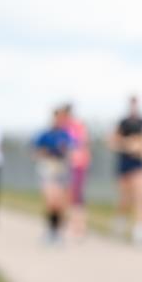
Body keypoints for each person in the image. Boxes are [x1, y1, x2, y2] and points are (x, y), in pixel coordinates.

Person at [110, 96, 142, 246]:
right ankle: (120, 224)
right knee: (125, 199)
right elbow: (112, 142)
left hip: (139, 163)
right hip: (125, 163)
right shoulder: (123, 122)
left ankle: (141, 232)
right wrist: (127, 144)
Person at [33, 108, 75, 244]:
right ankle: (51, 230)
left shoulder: (66, 135)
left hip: (61, 169)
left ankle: (57, 232)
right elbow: (36, 151)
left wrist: (65, 152)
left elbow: (73, 151)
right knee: (51, 200)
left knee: (60, 203)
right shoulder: (45, 135)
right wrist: (45, 153)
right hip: (49, 168)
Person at [61, 103, 91, 240]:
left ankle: (79, 227)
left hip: (77, 164)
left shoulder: (76, 126)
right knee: (70, 196)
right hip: (69, 165)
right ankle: (73, 225)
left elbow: (81, 144)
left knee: (76, 197)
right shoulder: (65, 127)